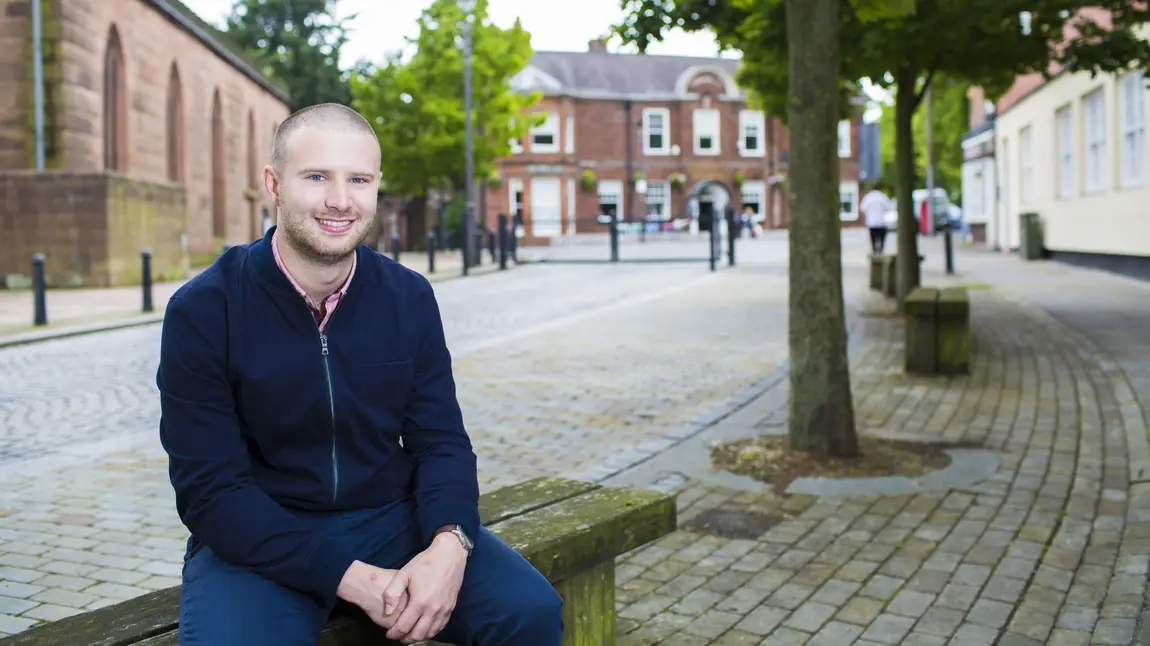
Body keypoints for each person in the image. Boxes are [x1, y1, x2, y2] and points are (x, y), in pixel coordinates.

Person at [157, 103, 563, 646]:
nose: (340, 200)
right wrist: (354, 580)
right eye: (317, 176)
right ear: (273, 183)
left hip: (391, 519)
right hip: (262, 534)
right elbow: (210, 490)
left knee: (530, 613)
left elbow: (440, 442)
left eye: (359, 180)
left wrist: (450, 542)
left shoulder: (408, 297)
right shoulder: (205, 309)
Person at [860, 180, 893, 253]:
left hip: (871, 222)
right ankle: (880, 250)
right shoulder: (883, 197)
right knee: (881, 239)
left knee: (873, 239)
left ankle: (875, 251)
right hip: (881, 222)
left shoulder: (868, 197)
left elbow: (863, 209)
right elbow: (888, 208)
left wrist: (865, 220)